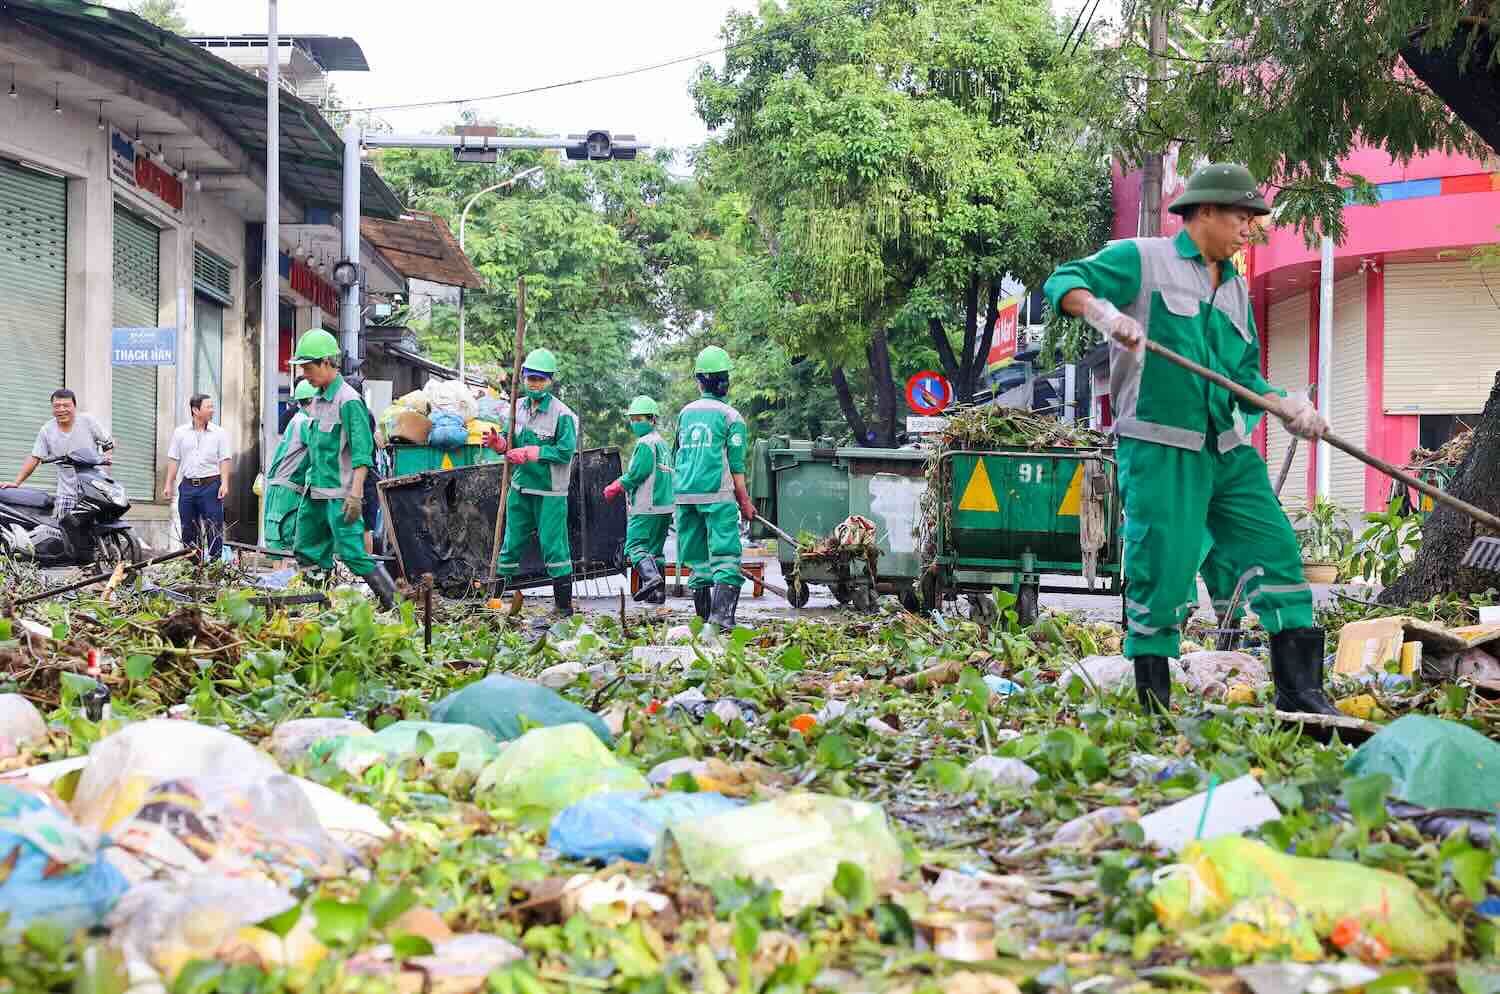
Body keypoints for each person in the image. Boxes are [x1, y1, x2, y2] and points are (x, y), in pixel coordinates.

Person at [1043, 162, 1338, 717]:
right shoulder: (1142, 259)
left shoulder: (1235, 290)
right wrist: (1103, 313)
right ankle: (1154, 710)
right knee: (1162, 571)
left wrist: (1288, 406)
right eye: (1241, 216)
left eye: (1253, 218)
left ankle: (1302, 697)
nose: (1249, 227)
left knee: (1276, 553)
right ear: (1204, 212)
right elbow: (1063, 282)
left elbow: (1245, 377)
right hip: (1160, 448)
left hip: (1227, 450)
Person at [286, 329, 399, 610]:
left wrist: (356, 495)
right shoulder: (316, 400)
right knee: (307, 548)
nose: (305, 374)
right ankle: (318, 606)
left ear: (326, 362)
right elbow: (313, 448)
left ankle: (396, 606)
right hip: (316, 493)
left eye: (308, 367)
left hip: (341, 494)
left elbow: (363, 454)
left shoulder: (349, 401)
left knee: (353, 553)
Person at [486, 348, 579, 618]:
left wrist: (534, 453)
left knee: (554, 547)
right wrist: (500, 444)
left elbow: (565, 451)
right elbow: (508, 443)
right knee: (510, 543)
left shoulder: (563, 415)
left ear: (550, 381)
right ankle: (493, 602)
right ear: (523, 378)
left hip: (550, 491)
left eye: (540, 379)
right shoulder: (517, 408)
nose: (534, 384)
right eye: (530, 379)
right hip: (520, 487)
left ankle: (563, 608)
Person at [674, 346, 756, 631]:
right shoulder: (732, 417)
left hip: (684, 496)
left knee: (698, 560)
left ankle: (702, 622)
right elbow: (736, 467)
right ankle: (721, 619)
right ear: (725, 382)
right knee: (726, 556)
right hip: (717, 496)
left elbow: (678, 454)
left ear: (699, 382)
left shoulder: (684, 414)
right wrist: (745, 503)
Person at [603, 395, 675, 604]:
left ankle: (651, 578)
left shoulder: (645, 443)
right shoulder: (662, 443)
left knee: (634, 547)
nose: (635, 423)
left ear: (652, 419)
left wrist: (616, 486)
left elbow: (637, 473)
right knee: (655, 550)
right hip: (664, 506)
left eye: (639, 419)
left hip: (646, 505)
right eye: (632, 419)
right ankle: (657, 594)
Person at [2, 389, 114, 518]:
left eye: (66, 405)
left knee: (102, 527)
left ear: (74, 407)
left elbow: (109, 442)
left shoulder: (87, 421)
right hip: (67, 492)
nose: (61, 409)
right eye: (57, 406)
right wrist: (16, 482)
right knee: (63, 531)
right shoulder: (47, 430)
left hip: (94, 490)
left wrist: (108, 455)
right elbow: (35, 457)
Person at [164, 394, 231, 562]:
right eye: (208, 407)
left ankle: (215, 566)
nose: (212, 410)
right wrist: (168, 484)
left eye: (212, 406)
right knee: (188, 529)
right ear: (195, 410)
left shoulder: (219, 433)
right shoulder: (180, 433)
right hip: (187, 487)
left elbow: (224, 459)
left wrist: (225, 483)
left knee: (213, 528)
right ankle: (194, 566)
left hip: (211, 486)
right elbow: (174, 459)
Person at [261, 379, 317, 554]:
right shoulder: (304, 423)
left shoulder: (299, 419)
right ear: (313, 400)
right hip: (286, 488)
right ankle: (281, 579)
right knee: (282, 538)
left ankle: (282, 578)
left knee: (286, 537)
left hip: (286, 488)